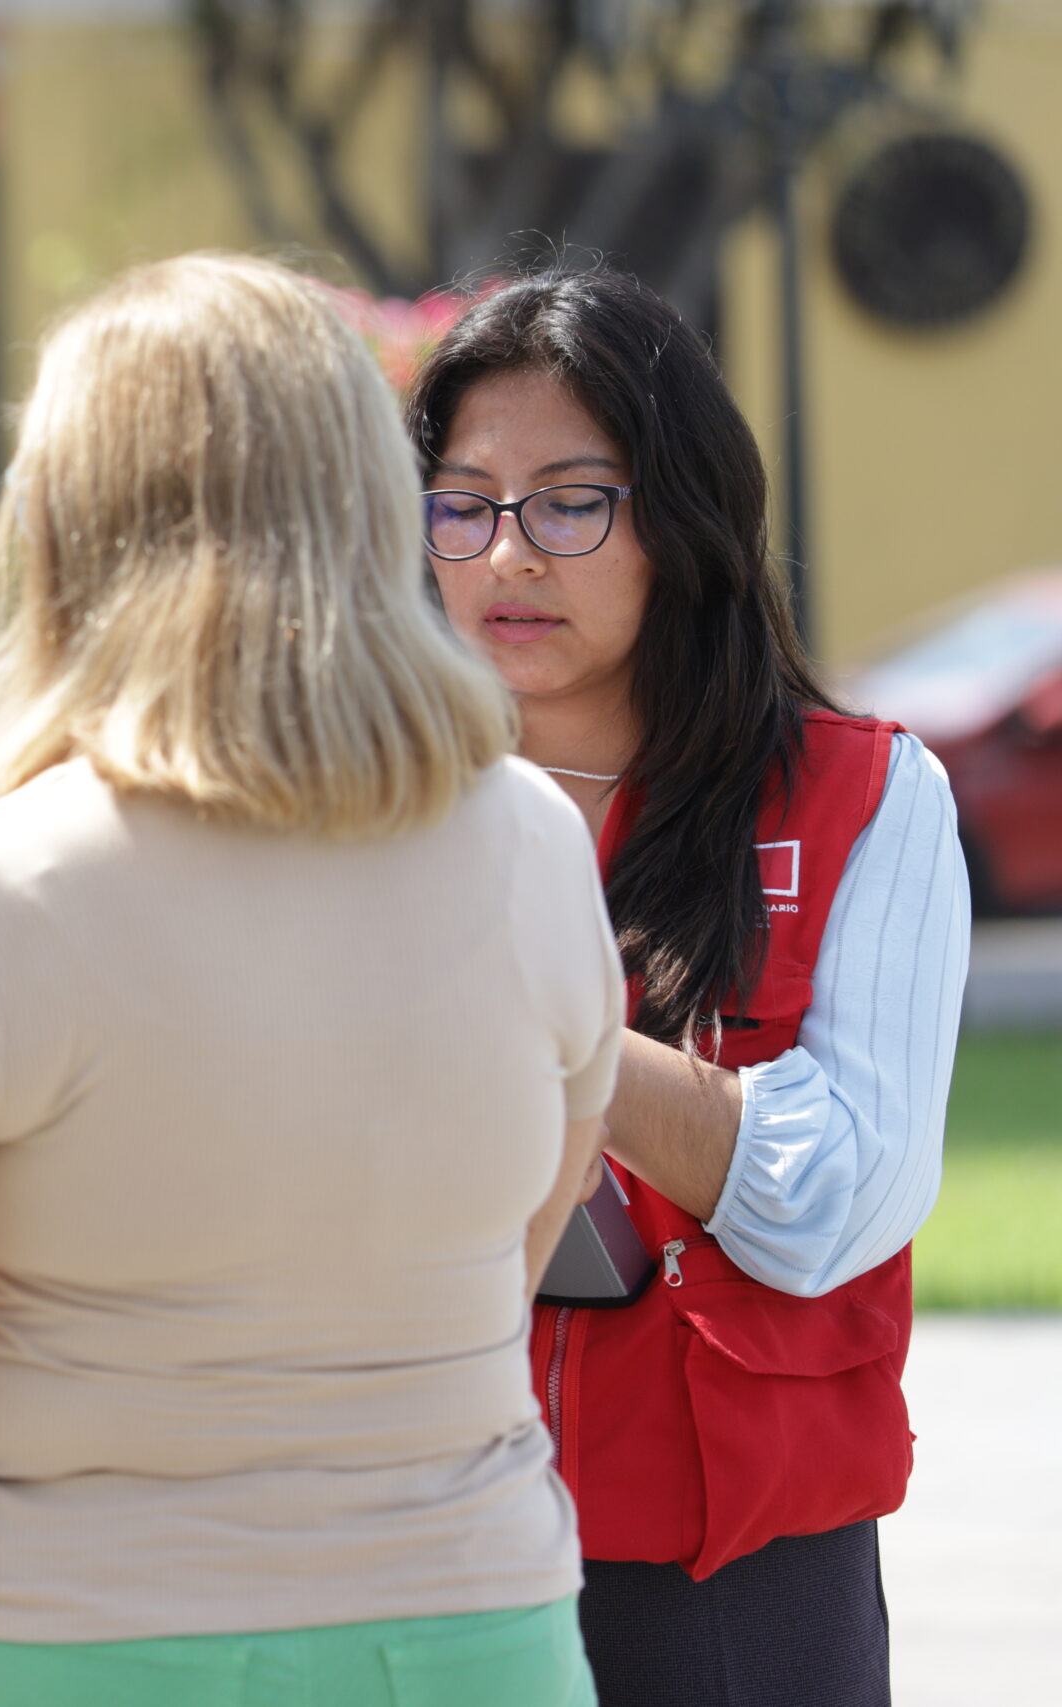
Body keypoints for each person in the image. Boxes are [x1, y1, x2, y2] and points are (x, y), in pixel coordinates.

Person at [0, 253, 618, 1707]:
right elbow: (527, 1232)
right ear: (368, 500)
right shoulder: (536, 843)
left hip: (61, 1633)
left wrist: (10, 1560)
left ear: (64, 523)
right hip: (473, 1622)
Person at [404, 267, 965, 1705]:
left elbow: (834, 1198)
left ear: (684, 516)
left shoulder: (861, 795)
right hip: (413, 1536)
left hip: (733, 1576)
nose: (508, 554)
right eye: (463, 503)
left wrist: (550, 1025)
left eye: (571, 503)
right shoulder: (373, 805)